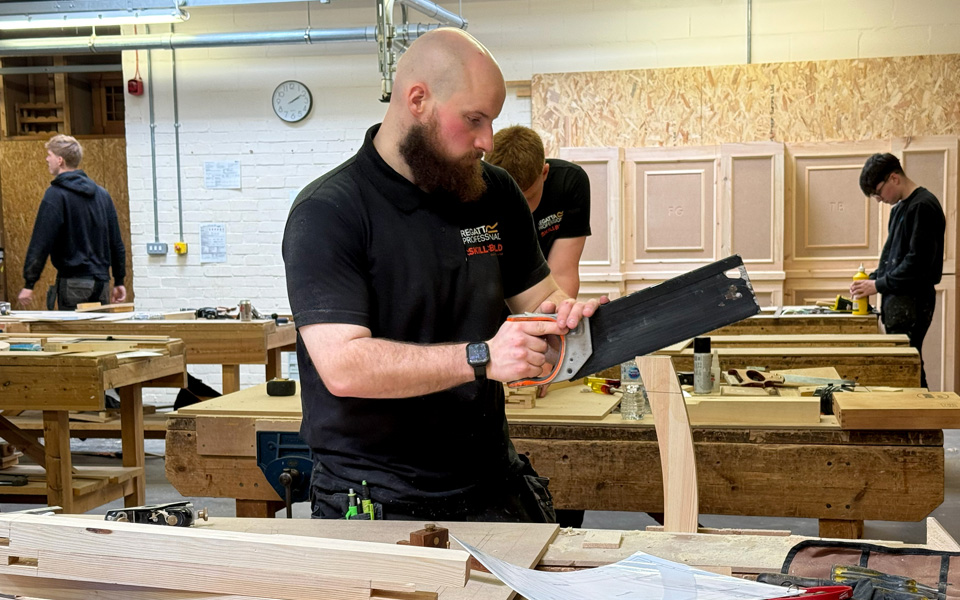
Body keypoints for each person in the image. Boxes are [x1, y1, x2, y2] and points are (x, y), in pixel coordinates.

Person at [282, 28, 601, 522]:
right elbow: (344, 367)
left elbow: (540, 298)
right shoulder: (330, 211)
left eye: (492, 121)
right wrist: (483, 357)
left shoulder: (494, 192)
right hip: (375, 494)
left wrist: (564, 316)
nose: (487, 141)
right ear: (418, 100)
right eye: (473, 119)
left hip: (489, 477)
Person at [850, 153, 945, 389]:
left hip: (913, 304)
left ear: (894, 178)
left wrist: (877, 285)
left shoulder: (923, 206)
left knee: (908, 367)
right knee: (905, 366)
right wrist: (870, 279)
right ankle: (917, 422)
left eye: (878, 192)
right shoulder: (900, 208)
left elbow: (917, 265)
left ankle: (922, 422)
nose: (879, 200)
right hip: (899, 303)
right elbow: (892, 258)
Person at [18, 134, 126, 311]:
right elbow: (116, 243)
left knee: (74, 337)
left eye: (49, 155)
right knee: (99, 336)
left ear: (60, 160)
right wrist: (119, 280)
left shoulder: (55, 195)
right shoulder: (102, 195)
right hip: (102, 283)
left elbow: (41, 242)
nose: (47, 159)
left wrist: (29, 283)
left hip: (73, 283)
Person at [485, 126, 591, 298]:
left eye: (527, 199)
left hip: (541, 292)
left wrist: (557, 319)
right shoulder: (473, 192)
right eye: (507, 202)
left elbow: (562, 273)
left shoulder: (569, 183)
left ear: (545, 172)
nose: (517, 211)